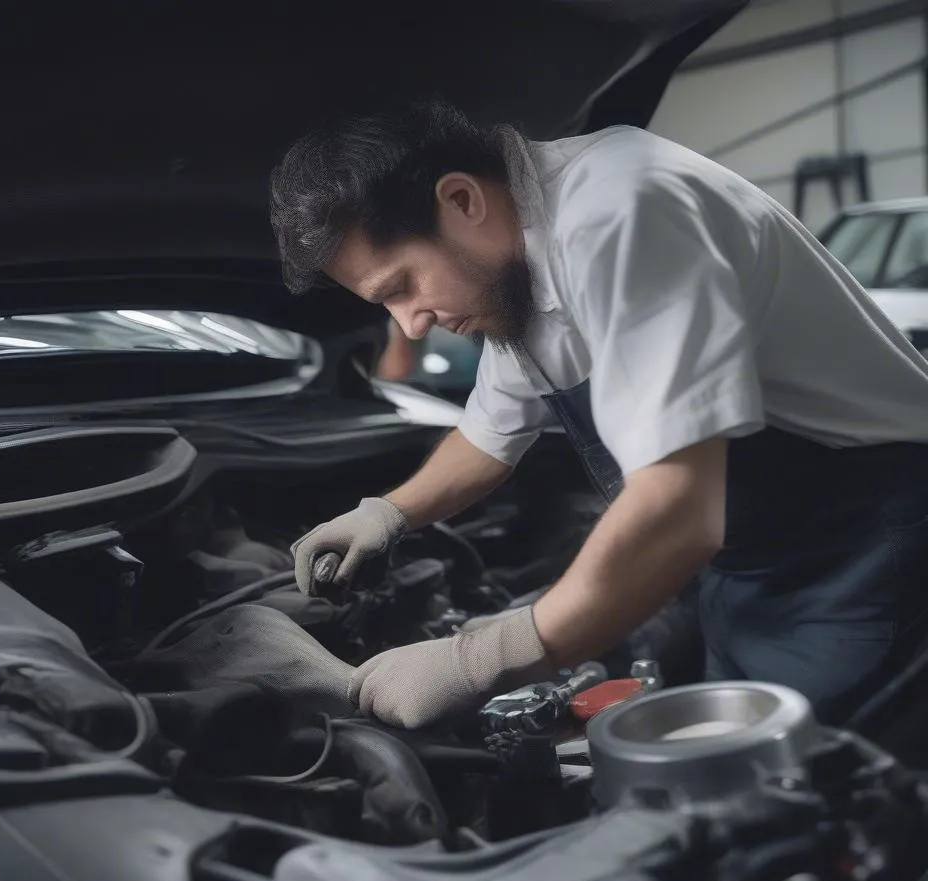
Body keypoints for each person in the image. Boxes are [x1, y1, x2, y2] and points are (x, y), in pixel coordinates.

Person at [269, 100, 928, 730]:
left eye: (402, 286)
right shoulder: (512, 271)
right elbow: (489, 435)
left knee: (812, 802)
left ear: (462, 200)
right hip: (751, 563)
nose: (409, 322)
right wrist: (386, 514)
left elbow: (678, 511)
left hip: (869, 549)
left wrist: (480, 659)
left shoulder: (623, 211)